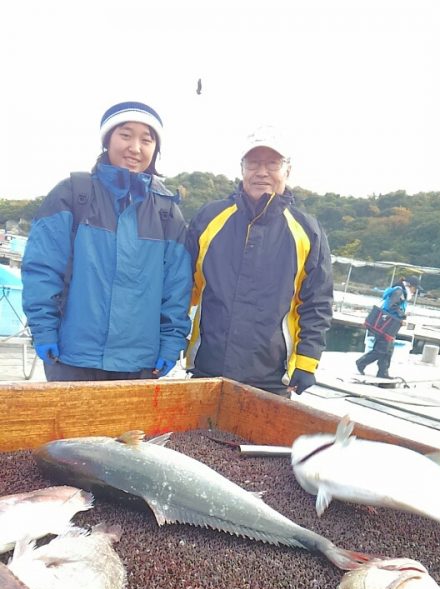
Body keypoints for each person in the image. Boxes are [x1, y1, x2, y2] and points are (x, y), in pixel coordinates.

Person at [22, 101, 192, 381]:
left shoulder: (167, 211)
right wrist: (43, 329)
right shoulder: (72, 194)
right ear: (107, 139)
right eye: (125, 135)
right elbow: (42, 269)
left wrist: (172, 343)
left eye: (146, 139)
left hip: (139, 363)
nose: (135, 148)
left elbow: (177, 289)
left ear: (155, 149)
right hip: (71, 356)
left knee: (132, 429)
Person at [185, 126, 334, 396]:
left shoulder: (307, 231)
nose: (262, 172)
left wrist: (307, 362)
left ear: (287, 170)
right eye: (253, 163)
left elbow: (316, 303)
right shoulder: (209, 217)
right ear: (242, 168)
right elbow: (184, 289)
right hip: (206, 367)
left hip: (271, 377)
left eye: (272, 163)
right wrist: (170, 342)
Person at [355, 276, 419, 378]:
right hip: (385, 325)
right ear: (410, 286)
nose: (415, 291)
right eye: (415, 288)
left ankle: (383, 373)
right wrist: (403, 316)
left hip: (389, 325)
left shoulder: (401, 292)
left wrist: (402, 316)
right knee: (381, 349)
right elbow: (391, 306)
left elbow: (395, 307)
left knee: (388, 350)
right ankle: (361, 362)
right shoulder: (399, 292)